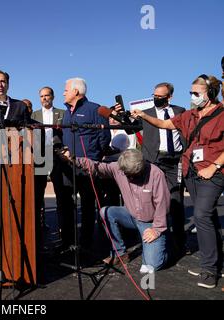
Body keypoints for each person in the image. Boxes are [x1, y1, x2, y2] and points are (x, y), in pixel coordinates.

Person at [132, 74, 224, 289]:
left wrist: (215, 166)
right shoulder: (190, 115)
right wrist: (144, 117)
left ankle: (210, 270)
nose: (192, 96)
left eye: (196, 93)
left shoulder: (221, 114)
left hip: (213, 172)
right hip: (192, 172)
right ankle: (213, 262)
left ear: (210, 94)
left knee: (200, 215)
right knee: (207, 217)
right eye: (190, 92)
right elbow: (164, 123)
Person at [72, 149, 170, 273]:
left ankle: (166, 243)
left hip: (150, 222)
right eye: (127, 174)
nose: (130, 178)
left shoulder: (156, 174)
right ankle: (120, 253)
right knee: (105, 212)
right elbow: (97, 167)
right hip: (130, 215)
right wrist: (74, 159)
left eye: (133, 175)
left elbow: (163, 205)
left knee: (152, 265)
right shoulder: (119, 168)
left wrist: (157, 229)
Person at [59, 77, 110, 249]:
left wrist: (93, 157)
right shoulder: (66, 112)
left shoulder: (95, 110)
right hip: (67, 166)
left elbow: (104, 138)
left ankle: (87, 242)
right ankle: (68, 241)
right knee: (66, 203)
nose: (64, 92)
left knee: (88, 205)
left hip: (87, 166)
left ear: (75, 91)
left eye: (66, 89)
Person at [138, 82, 187, 257]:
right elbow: (130, 129)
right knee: (154, 201)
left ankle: (179, 244)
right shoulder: (146, 114)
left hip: (176, 162)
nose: (156, 99)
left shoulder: (181, 111)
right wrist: (122, 114)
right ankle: (158, 242)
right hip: (155, 161)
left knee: (176, 201)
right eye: (154, 96)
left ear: (169, 97)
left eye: (160, 96)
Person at [31, 87, 65, 229]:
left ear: (52, 96)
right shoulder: (34, 115)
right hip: (40, 156)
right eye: (42, 96)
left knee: (61, 193)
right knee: (38, 192)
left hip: (58, 154)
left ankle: (63, 228)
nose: (44, 98)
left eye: (47, 95)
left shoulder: (62, 113)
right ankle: (38, 229)